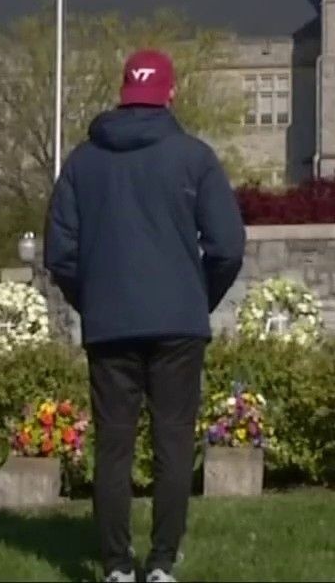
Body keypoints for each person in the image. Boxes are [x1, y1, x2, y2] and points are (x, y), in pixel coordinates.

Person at [46, 48, 246, 583]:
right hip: (178, 322)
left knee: (113, 444)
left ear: (122, 93)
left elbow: (60, 254)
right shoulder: (194, 157)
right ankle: (160, 563)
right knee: (173, 441)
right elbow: (227, 246)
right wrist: (196, 297)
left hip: (111, 323)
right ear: (170, 94)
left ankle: (114, 566)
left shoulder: (83, 162)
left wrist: (94, 300)